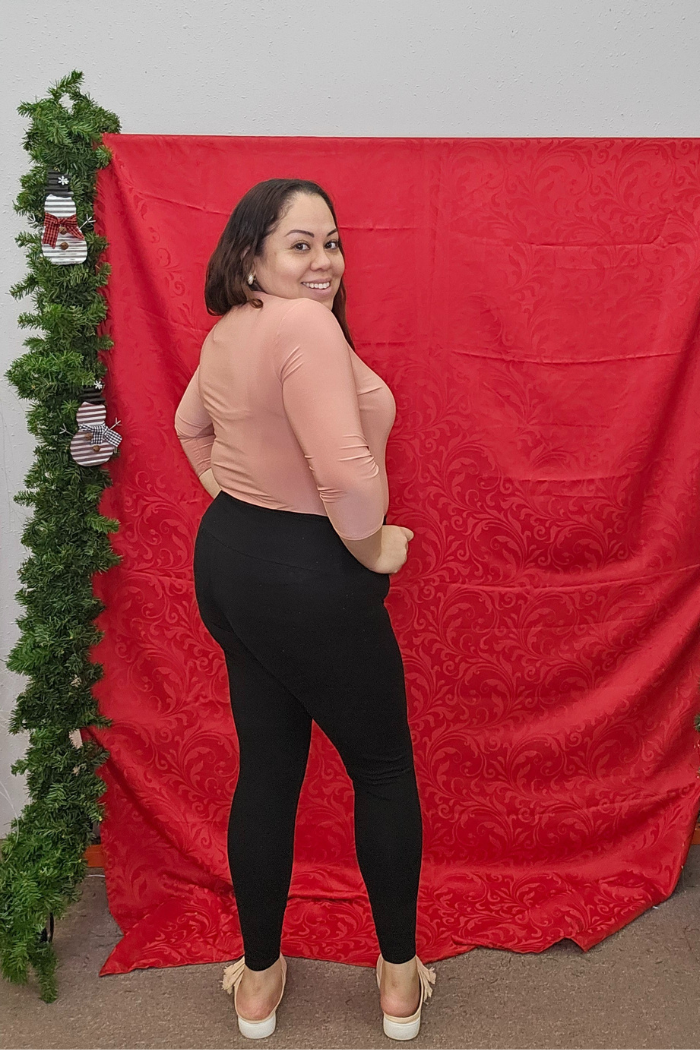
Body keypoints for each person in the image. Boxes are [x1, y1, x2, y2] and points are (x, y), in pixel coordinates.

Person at [174, 178, 437, 1040]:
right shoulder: (304, 327)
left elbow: (190, 430)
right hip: (311, 571)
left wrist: (236, 502)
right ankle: (400, 983)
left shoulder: (230, 331)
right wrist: (375, 548)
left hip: (233, 563)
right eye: (300, 244)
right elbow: (349, 476)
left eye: (331, 241)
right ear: (251, 257)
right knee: (384, 770)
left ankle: (257, 984)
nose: (323, 260)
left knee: (269, 769)